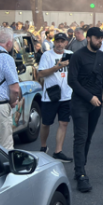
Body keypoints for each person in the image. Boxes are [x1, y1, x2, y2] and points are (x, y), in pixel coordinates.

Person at [67, 27, 103, 192]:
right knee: (80, 137)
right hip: (80, 103)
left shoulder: (100, 55)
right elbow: (72, 81)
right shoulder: (77, 56)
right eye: (98, 38)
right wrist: (89, 97)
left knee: (88, 137)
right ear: (89, 38)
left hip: (96, 103)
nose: (100, 41)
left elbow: (99, 75)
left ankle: (81, 166)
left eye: (102, 39)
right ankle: (81, 174)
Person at [36, 32, 73, 163]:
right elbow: (41, 73)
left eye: (62, 41)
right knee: (46, 123)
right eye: (57, 41)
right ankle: (43, 146)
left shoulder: (70, 55)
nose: (59, 43)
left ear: (66, 43)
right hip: (50, 96)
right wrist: (58, 66)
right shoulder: (47, 55)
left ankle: (58, 151)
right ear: (54, 42)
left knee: (64, 123)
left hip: (67, 95)